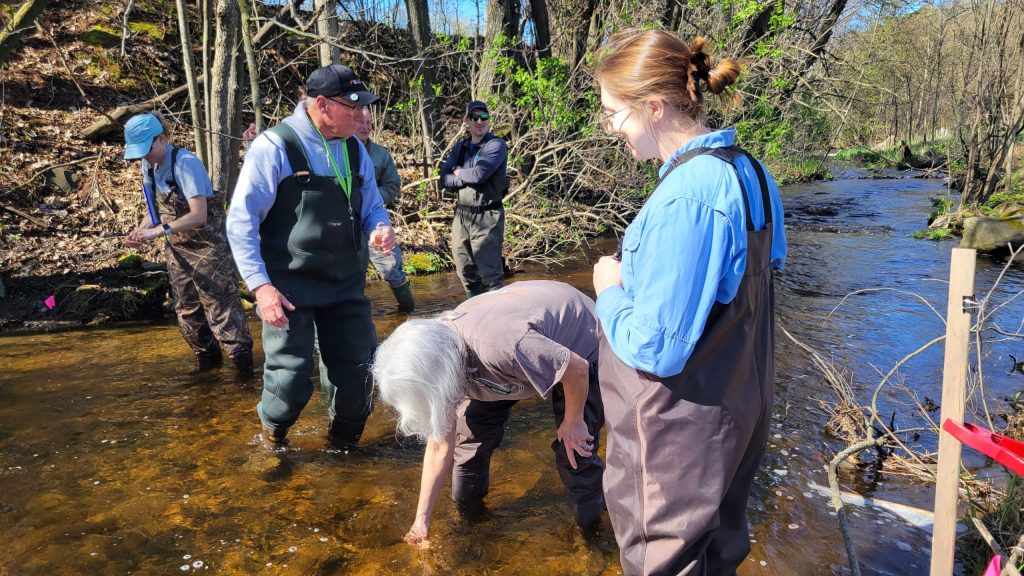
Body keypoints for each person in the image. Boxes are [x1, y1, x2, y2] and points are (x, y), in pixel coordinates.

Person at [591, 30, 787, 575]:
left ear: (652, 107)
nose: (611, 129)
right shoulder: (750, 170)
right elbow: (747, 279)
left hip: (676, 434)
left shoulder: (687, 192)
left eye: (614, 114)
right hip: (739, 409)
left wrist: (609, 289)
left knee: (664, 561)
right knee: (719, 551)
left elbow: (656, 349)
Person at [226, 64, 397, 450]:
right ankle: (272, 441)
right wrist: (261, 287)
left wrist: (380, 227)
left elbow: (373, 206)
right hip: (289, 290)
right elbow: (240, 223)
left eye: (364, 107)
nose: (362, 115)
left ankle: (343, 450)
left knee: (358, 377)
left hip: (345, 286)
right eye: (353, 107)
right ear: (321, 105)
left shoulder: (356, 148)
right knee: (289, 382)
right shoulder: (274, 148)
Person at [371, 280, 605, 544]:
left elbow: (577, 370)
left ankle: (593, 535)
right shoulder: (439, 355)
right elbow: (439, 447)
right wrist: (421, 520)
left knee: (574, 453)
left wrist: (573, 421)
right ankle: (472, 523)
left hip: (582, 347)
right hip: (507, 358)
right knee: (468, 446)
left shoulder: (505, 347)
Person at [122, 112, 254, 375]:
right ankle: (207, 369)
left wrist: (160, 231)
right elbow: (156, 210)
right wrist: (141, 230)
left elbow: (198, 214)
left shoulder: (185, 164)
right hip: (178, 251)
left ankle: (244, 374)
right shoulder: (148, 166)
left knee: (221, 308)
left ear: (161, 139)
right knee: (187, 311)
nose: (143, 157)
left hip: (209, 248)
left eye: (146, 149)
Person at [438, 101, 509, 298]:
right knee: (465, 271)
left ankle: (499, 320)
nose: (479, 121)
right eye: (474, 117)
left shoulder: (496, 145)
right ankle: (475, 316)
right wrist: (463, 176)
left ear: (489, 119)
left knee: (491, 276)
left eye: (484, 117)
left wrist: (459, 172)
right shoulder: (460, 148)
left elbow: (479, 175)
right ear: (466, 121)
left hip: (487, 217)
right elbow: (443, 178)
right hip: (461, 217)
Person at [355, 106, 415, 313]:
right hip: (347, 224)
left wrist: (370, 196)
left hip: (374, 220)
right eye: (360, 122)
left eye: (369, 123)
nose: (365, 127)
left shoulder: (381, 154)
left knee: (392, 268)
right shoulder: (336, 151)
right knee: (353, 275)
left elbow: (392, 186)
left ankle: (409, 312)